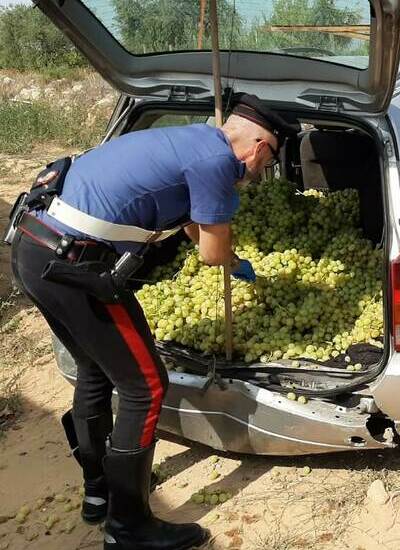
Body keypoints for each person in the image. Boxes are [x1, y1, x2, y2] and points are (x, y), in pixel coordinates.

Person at [8, 93, 295, 550]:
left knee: (94, 370)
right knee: (146, 386)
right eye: (267, 162)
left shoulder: (192, 141)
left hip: (33, 247)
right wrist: (227, 253)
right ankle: (129, 529)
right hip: (76, 268)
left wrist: (233, 258)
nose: (260, 174)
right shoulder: (219, 164)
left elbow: (188, 223)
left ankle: (99, 493)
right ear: (260, 148)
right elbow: (208, 252)